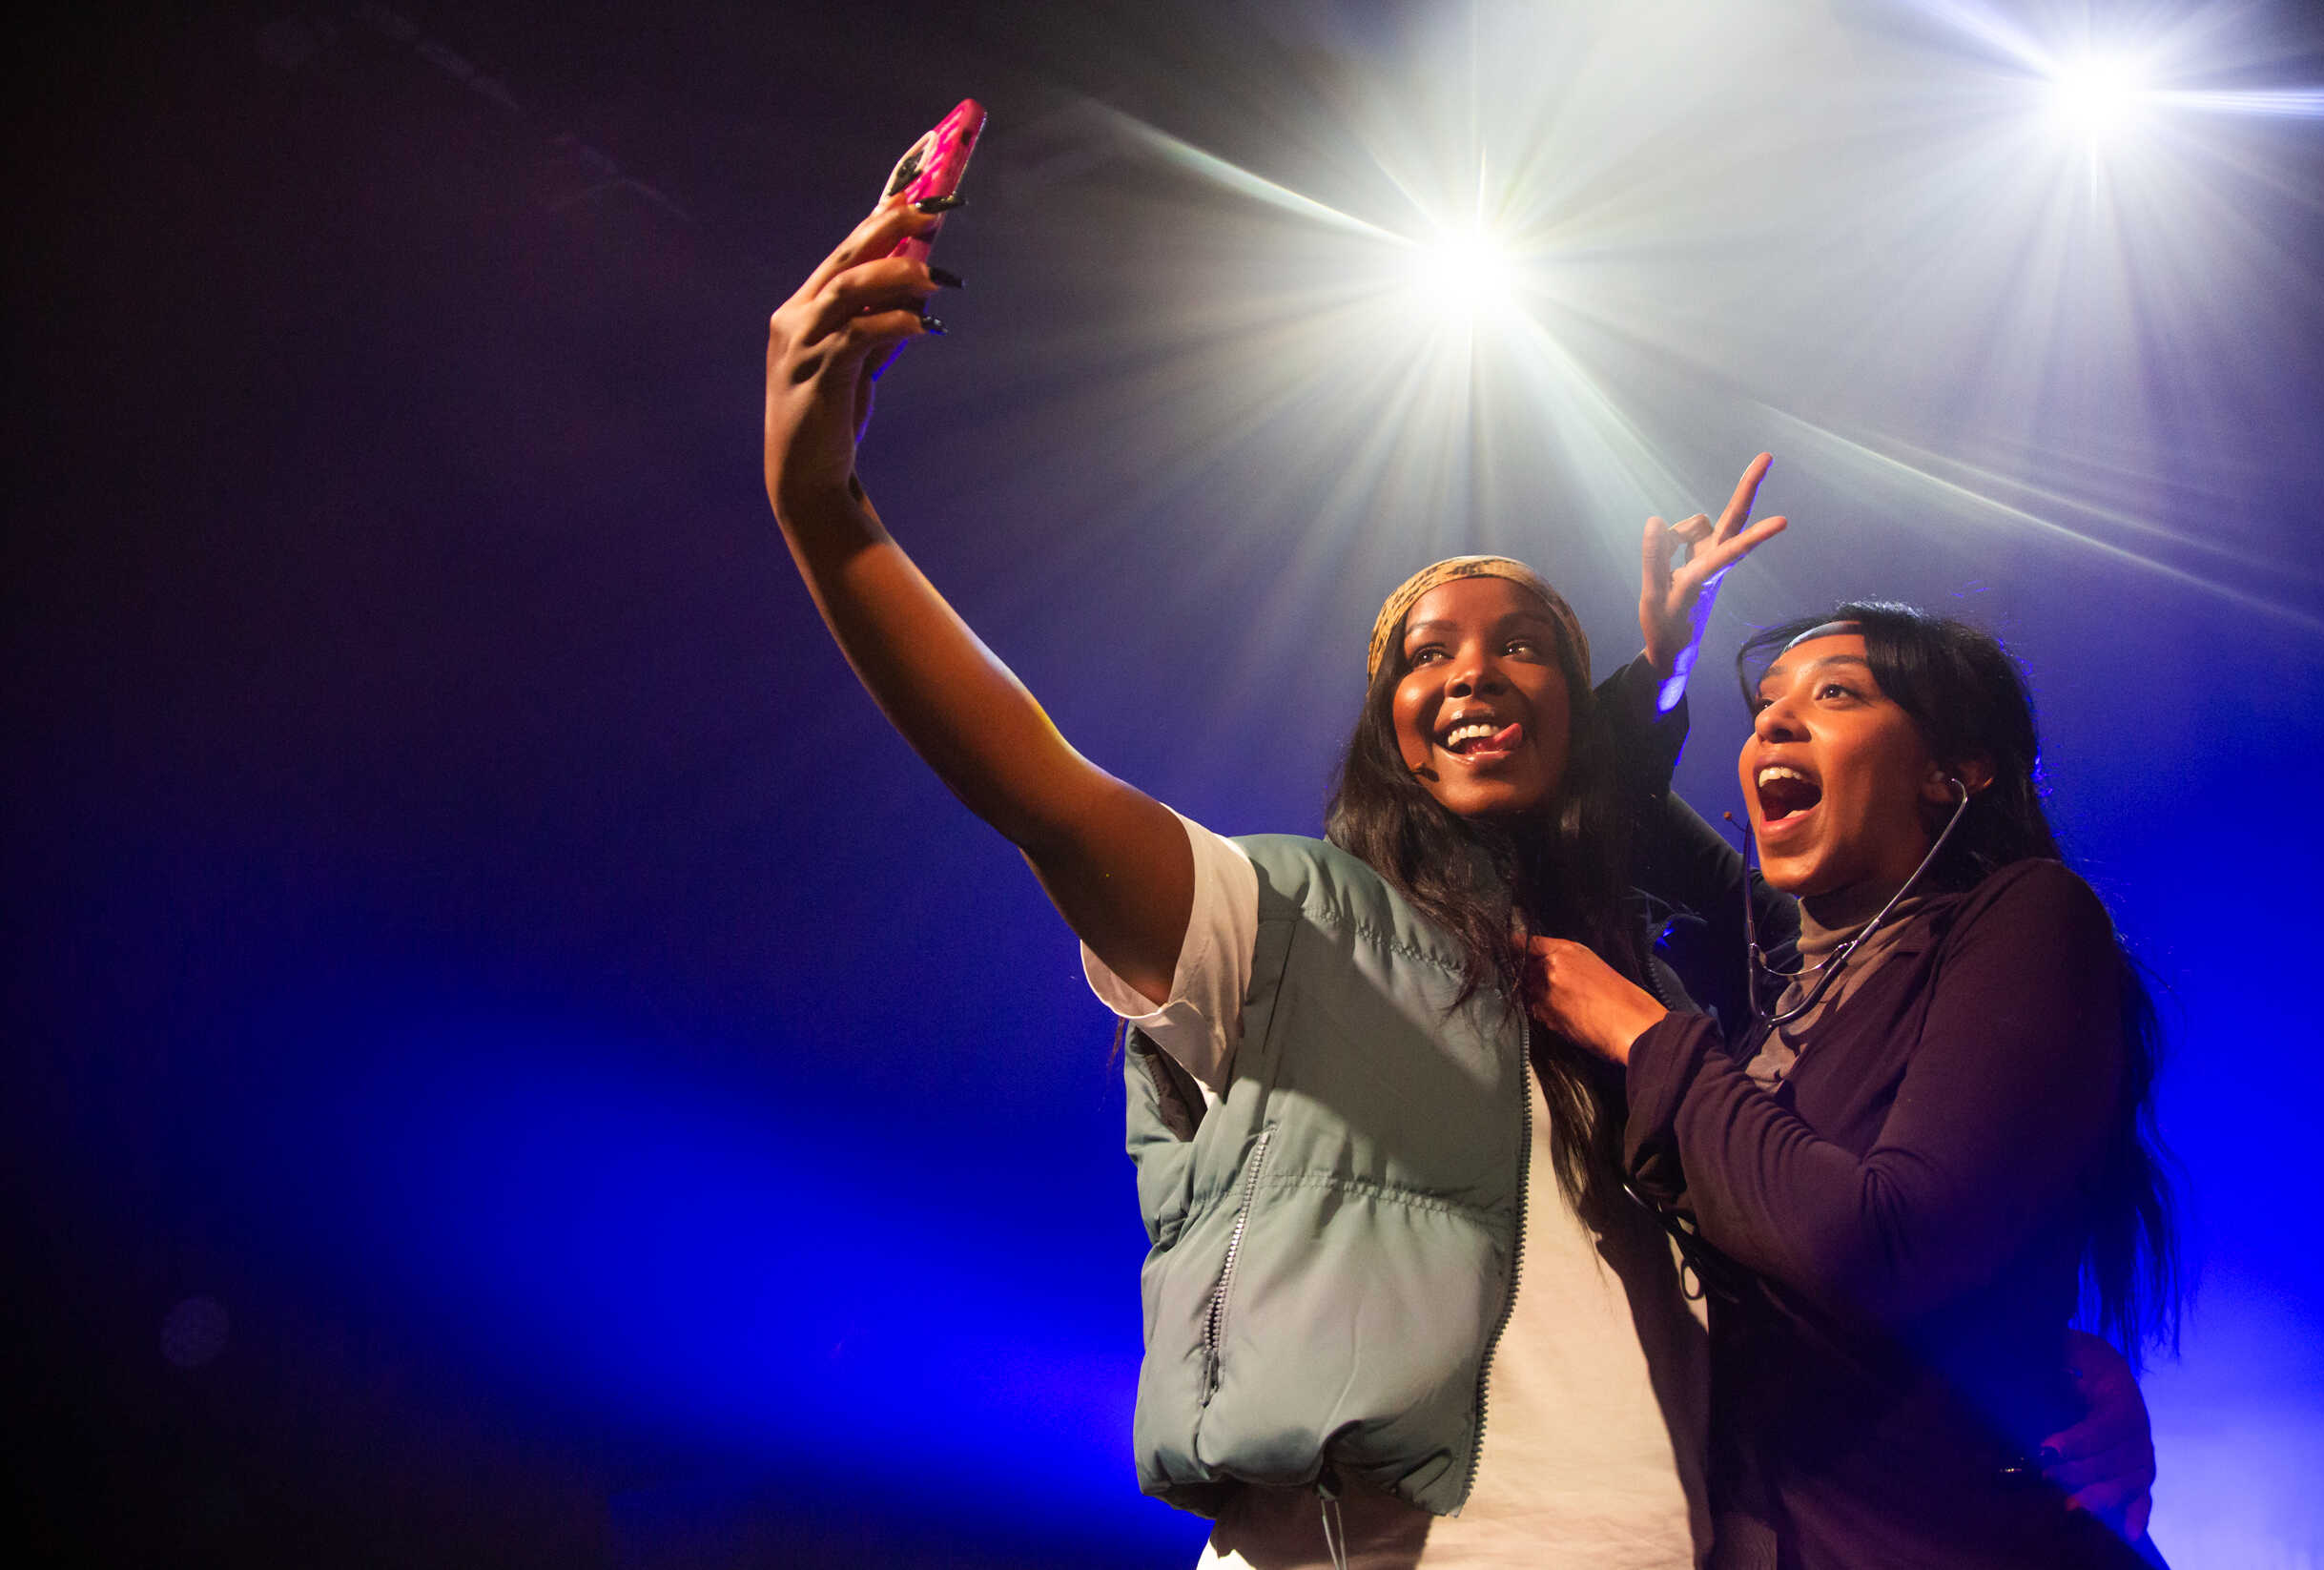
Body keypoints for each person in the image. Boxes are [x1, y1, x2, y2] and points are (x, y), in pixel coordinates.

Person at [763, 190, 2154, 1567]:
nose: (1475, 669)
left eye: (1525, 644)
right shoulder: (1290, 922)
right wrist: (827, 511)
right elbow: (1042, 788)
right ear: (1389, 732)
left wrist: (2037, 1382)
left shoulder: (1651, 1001)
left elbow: (1843, 1228)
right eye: (1426, 651)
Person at [1527, 606, 2181, 1569]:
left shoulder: (2023, 916)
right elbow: (1592, 794)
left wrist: (1643, 1034)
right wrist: (1661, 665)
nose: (1771, 724)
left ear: (1951, 770)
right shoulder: (1775, 972)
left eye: (1834, 692)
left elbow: (1885, 1238)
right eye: (1762, 705)